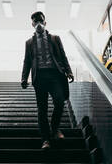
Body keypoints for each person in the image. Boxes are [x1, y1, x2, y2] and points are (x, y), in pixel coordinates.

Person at [21, 11, 74, 149]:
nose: (38, 23)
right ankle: (46, 140)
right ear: (32, 24)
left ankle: (55, 128)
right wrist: (24, 78)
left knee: (59, 101)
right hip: (39, 78)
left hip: (55, 75)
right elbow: (27, 61)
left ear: (45, 22)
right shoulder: (29, 43)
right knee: (42, 109)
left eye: (40, 20)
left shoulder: (55, 38)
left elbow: (63, 56)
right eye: (35, 21)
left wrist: (69, 71)